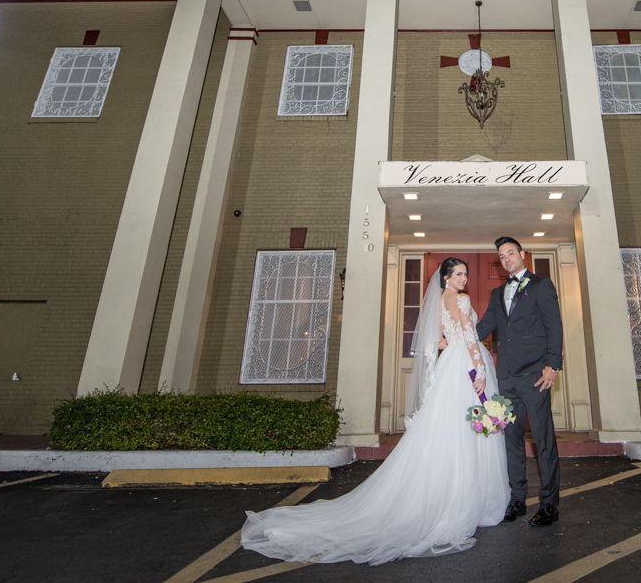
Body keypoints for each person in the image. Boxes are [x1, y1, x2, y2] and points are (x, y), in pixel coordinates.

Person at [240, 257, 508, 566]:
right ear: (446, 277)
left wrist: (454, 348)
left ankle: (452, 496)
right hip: (467, 367)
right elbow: (471, 336)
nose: (463, 278)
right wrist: (479, 367)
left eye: (465, 274)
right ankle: (466, 502)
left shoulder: (439, 302)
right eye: (458, 273)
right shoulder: (460, 300)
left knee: (452, 431)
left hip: (451, 365)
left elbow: (436, 340)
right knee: (469, 430)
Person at [476, 236, 564, 527]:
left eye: (510, 253)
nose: (506, 259)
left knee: (543, 441)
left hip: (536, 376)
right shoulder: (496, 293)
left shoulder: (541, 285)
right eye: (501, 256)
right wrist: (451, 335)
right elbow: (484, 328)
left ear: (522, 254)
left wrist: (552, 365)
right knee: (511, 441)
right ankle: (517, 499)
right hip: (507, 379)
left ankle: (550, 503)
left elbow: (554, 327)